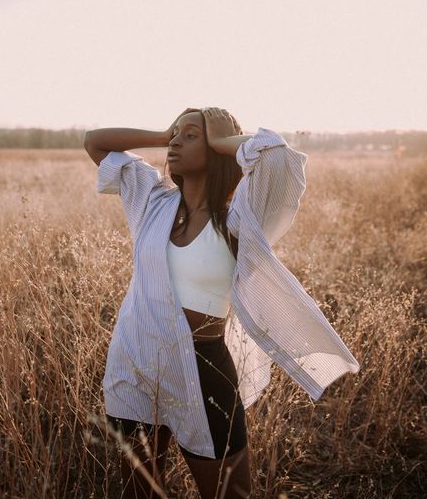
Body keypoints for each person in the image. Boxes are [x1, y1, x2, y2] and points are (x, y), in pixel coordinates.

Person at [84, 107, 360, 498]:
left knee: (231, 492)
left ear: (218, 147)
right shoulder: (152, 202)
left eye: (191, 135)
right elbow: (95, 140)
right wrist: (168, 133)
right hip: (134, 358)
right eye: (177, 135)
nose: (177, 142)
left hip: (203, 363)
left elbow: (277, 156)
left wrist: (219, 139)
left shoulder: (241, 218)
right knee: (137, 489)